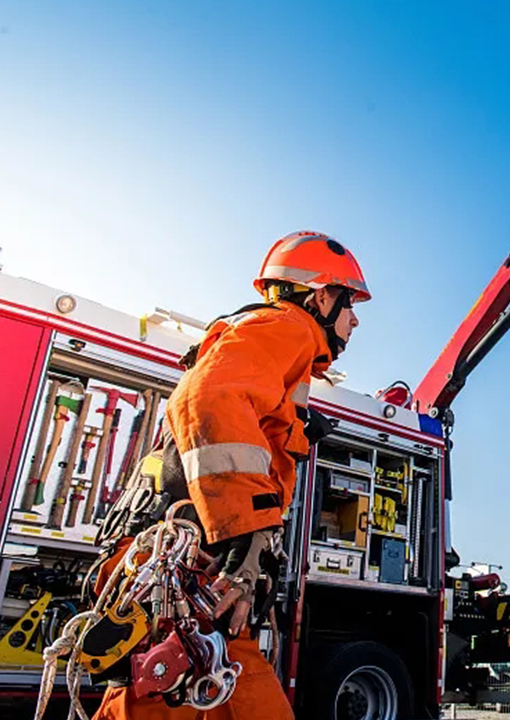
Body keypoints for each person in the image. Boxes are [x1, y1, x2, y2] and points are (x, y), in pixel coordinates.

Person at [91, 231, 369, 719]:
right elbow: (208, 401)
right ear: (321, 295)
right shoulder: (289, 325)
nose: (355, 319)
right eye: (350, 304)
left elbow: (226, 407)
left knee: (176, 694)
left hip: (179, 569)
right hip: (191, 567)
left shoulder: (269, 339)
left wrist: (294, 427)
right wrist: (246, 526)